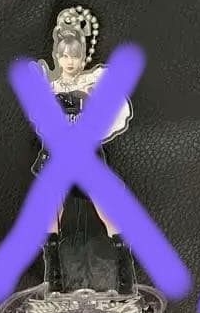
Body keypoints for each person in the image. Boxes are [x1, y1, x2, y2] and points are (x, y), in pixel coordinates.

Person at [34, 15, 135, 296]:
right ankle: (53, 276)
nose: (70, 61)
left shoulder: (94, 82)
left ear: (83, 58)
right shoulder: (50, 87)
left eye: (75, 56)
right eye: (64, 56)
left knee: (108, 209)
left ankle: (126, 274)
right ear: (57, 56)